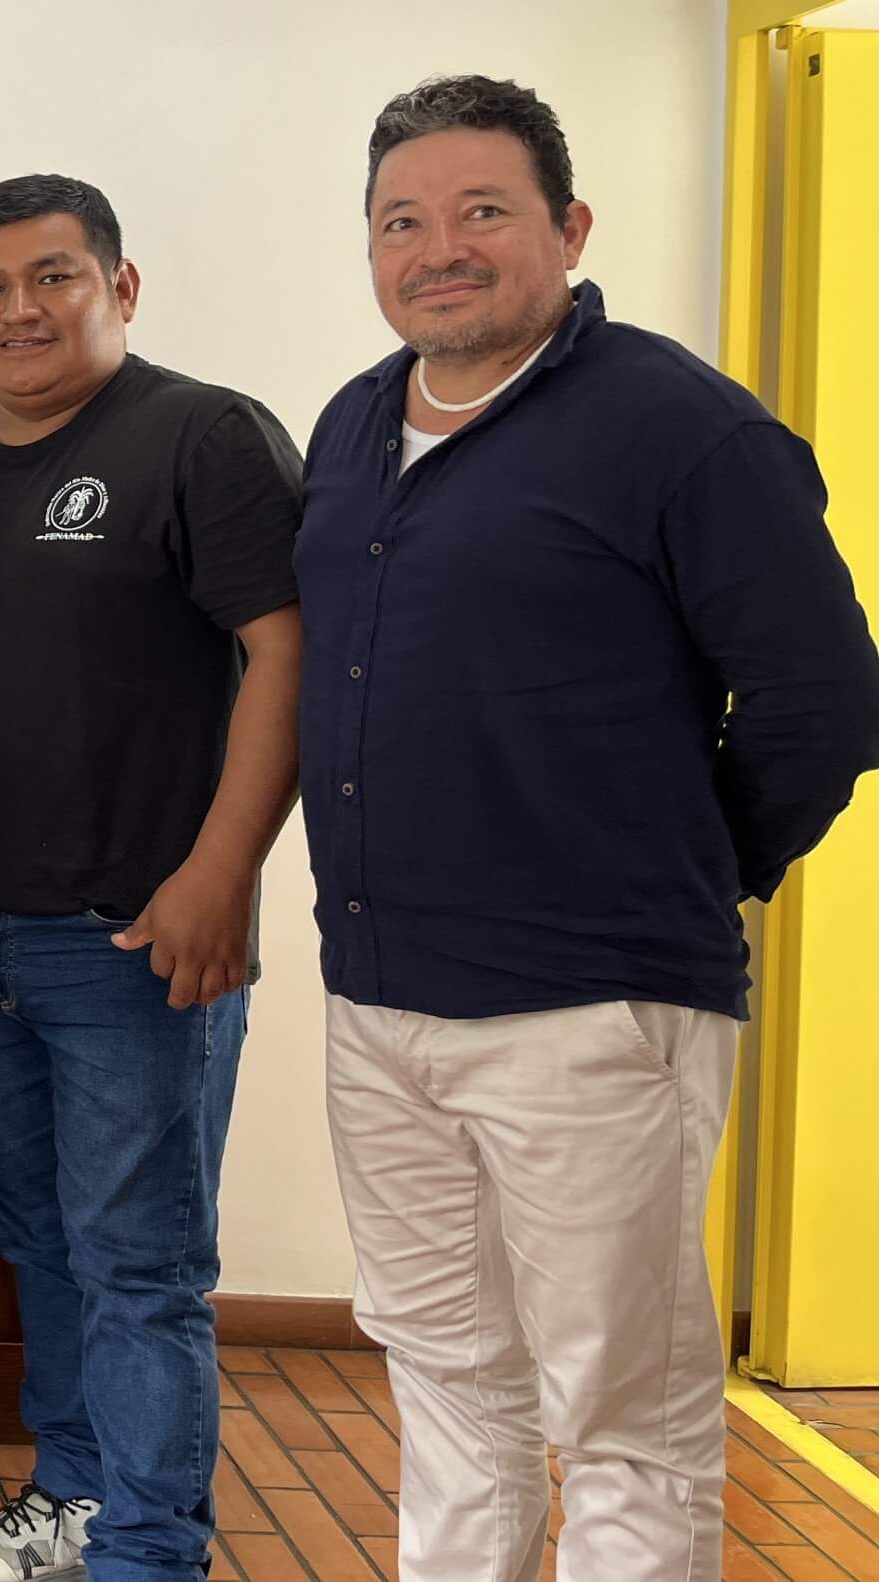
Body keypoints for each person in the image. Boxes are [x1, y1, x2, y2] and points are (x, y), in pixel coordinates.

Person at [298, 75, 879, 1581]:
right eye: (402, 221)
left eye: (482, 211)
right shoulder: (356, 428)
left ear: (568, 225)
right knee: (448, 1385)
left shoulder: (680, 428)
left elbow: (823, 702)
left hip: (597, 1013)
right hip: (381, 1011)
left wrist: (685, 875)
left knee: (626, 1420)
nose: (439, 247)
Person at [0, 176, 303, 1582]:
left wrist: (223, 870)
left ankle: (149, 1550)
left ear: (121, 289)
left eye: (52, 278)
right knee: (41, 1241)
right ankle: (74, 1499)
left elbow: (286, 657)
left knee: (142, 1260)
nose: (18, 311)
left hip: (137, 936)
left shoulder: (205, 435)